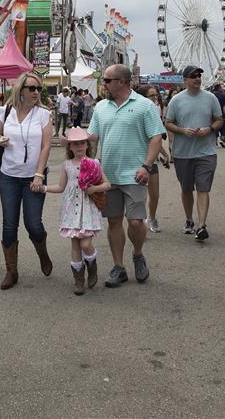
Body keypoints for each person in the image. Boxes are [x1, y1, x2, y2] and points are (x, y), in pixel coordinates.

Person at [87, 64, 165, 287]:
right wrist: (73, 139)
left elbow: (156, 137)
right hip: (108, 175)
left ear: (121, 81)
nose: (104, 84)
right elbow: (93, 136)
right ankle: (118, 266)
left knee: (136, 222)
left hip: (135, 174)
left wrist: (146, 166)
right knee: (113, 221)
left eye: (107, 80)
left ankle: (138, 254)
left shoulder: (144, 106)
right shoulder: (101, 106)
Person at [0, 72, 53, 290]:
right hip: (8, 175)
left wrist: (39, 174)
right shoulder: (5, 111)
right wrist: (0, 139)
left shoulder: (43, 114)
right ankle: (11, 271)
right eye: (32, 88)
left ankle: (43, 253)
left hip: (32, 176)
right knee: (9, 225)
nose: (36, 92)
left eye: (38, 89)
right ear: (21, 90)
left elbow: (46, 146)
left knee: (33, 224)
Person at [46, 127, 109, 295]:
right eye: (75, 144)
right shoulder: (67, 165)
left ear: (87, 145)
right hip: (70, 208)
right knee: (75, 244)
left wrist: (94, 189)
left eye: (82, 143)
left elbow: (107, 184)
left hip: (87, 208)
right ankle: (79, 280)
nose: (79, 147)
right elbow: (60, 187)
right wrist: (43, 188)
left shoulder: (95, 163)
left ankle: (92, 263)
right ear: (70, 147)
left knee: (86, 243)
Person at [163, 67, 223, 240]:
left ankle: (202, 225)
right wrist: (182, 131)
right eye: (193, 76)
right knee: (187, 188)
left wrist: (209, 129)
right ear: (185, 80)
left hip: (206, 151)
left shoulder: (211, 98)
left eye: (199, 76)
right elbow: (168, 122)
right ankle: (189, 219)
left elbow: (219, 120)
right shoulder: (176, 100)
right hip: (183, 153)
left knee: (203, 188)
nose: (197, 79)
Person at [140, 85, 170, 233]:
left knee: (155, 194)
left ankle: (151, 217)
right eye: (150, 96)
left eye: (155, 95)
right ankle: (140, 222)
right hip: (138, 159)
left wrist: (164, 153)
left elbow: (156, 138)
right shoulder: (139, 113)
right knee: (139, 195)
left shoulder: (155, 112)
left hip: (151, 160)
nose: (154, 98)